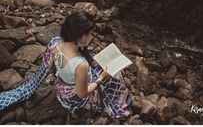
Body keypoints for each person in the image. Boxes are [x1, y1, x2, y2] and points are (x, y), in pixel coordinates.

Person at [0, 10, 130, 119]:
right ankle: (118, 102)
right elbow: (82, 94)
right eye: (90, 34)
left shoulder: (55, 42)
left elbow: (45, 70)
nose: (92, 37)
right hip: (73, 101)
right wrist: (101, 78)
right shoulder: (81, 64)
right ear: (81, 35)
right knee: (114, 74)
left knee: (99, 67)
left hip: (61, 90)